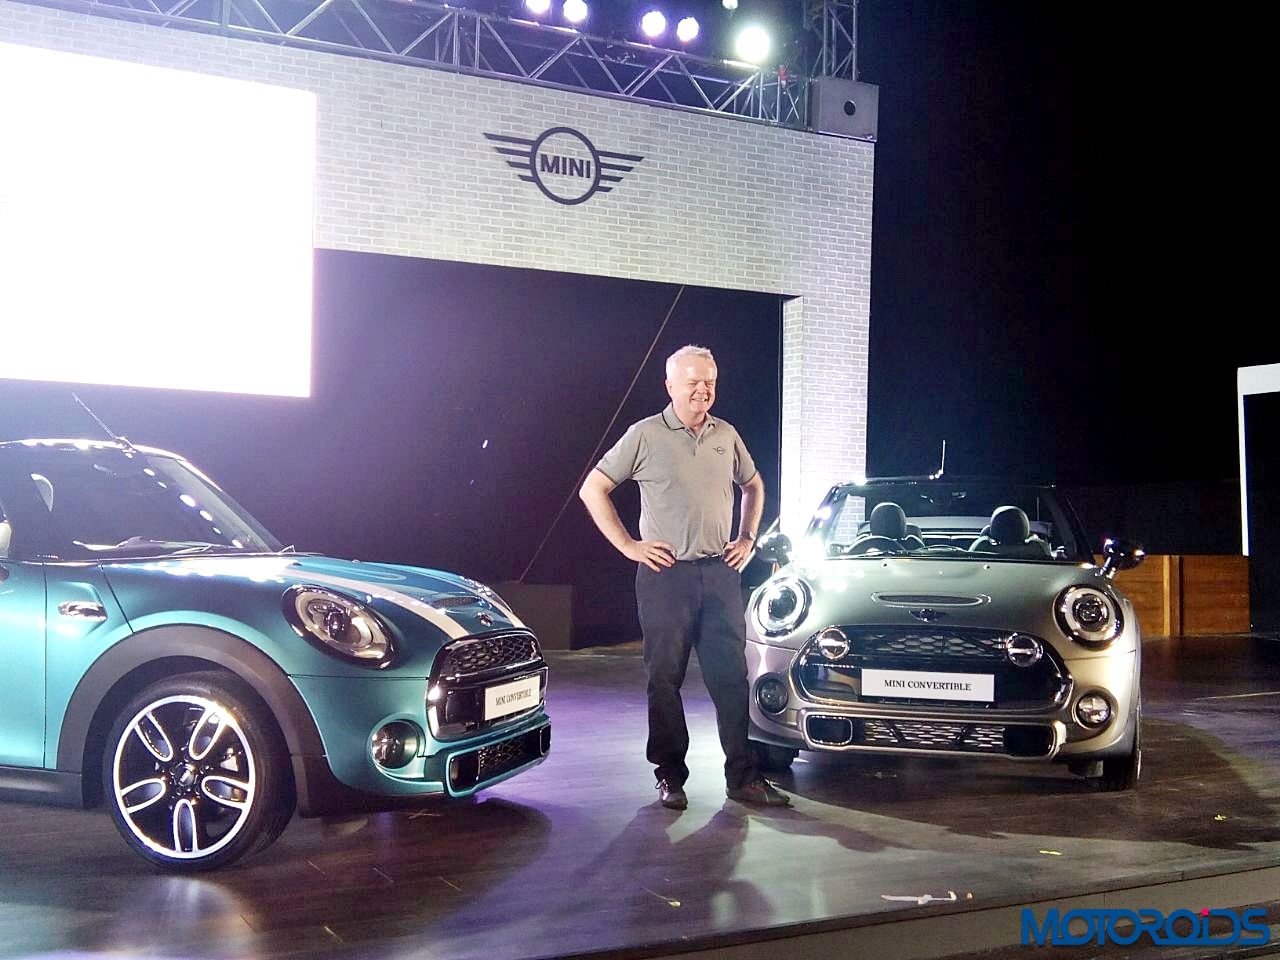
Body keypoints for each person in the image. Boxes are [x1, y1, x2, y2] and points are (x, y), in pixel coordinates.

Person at [579, 345, 790, 809]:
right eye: (692, 382)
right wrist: (629, 546)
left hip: (719, 573)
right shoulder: (645, 435)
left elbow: (753, 485)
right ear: (670, 385)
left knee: (731, 678)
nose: (702, 390)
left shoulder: (725, 434)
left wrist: (747, 537)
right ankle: (670, 776)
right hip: (665, 576)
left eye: (709, 382)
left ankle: (743, 778)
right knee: (664, 679)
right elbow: (593, 488)